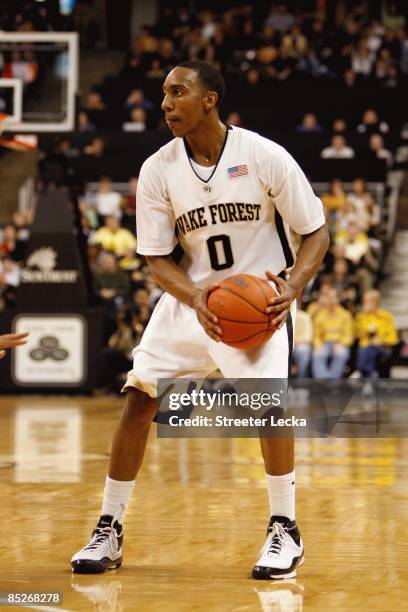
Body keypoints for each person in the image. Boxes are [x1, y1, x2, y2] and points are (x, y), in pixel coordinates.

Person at [71, 61, 329, 579]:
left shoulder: (263, 155)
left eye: (177, 92)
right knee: (139, 399)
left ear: (210, 99)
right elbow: (156, 257)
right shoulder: (157, 169)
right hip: (193, 301)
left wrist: (293, 287)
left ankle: (285, 529)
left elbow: (316, 232)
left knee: (267, 406)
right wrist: (195, 298)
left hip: (260, 302)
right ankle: (109, 528)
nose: (165, 103)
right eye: (163, 95)